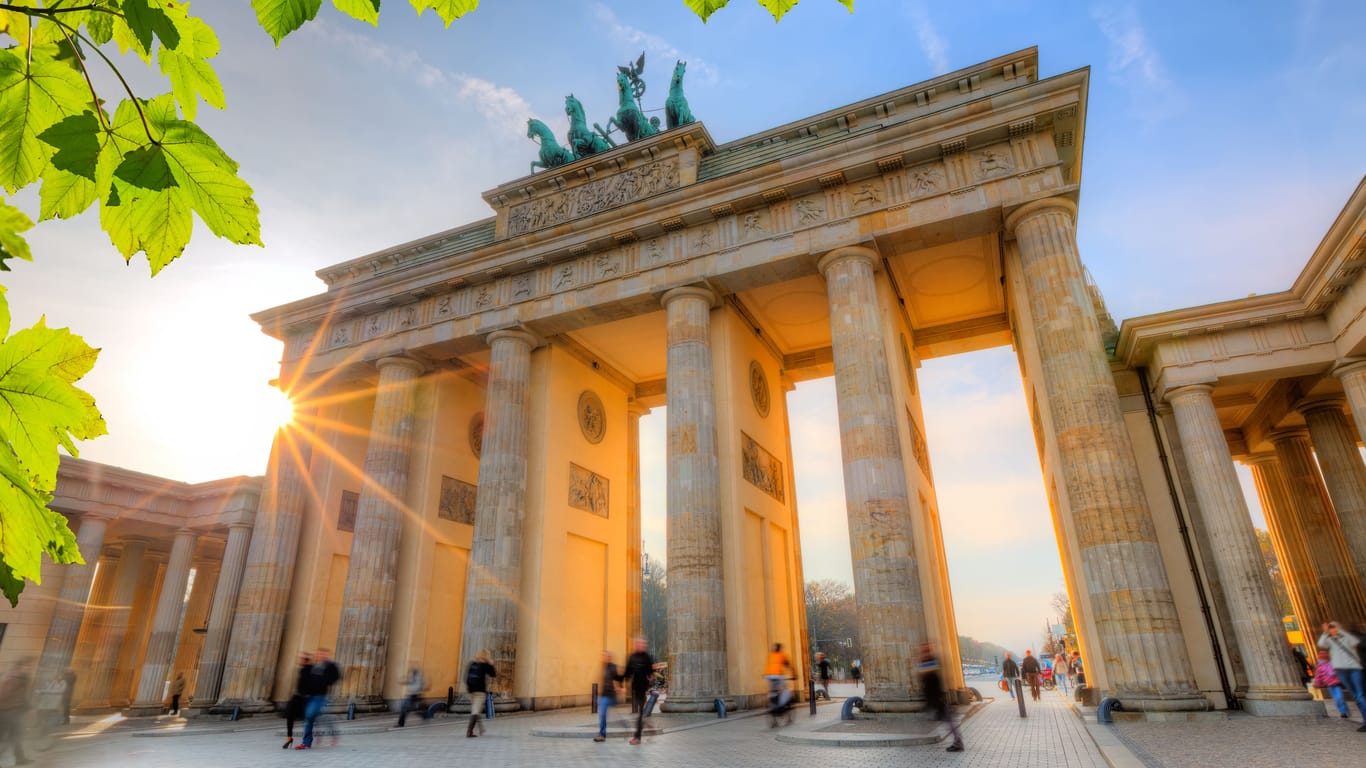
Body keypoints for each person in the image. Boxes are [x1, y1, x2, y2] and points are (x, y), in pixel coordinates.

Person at [1318, 621, 1366, 731]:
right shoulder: (1330, 641)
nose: (1333, 629)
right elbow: (1321, 644)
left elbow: (1355, 641)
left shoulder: (1347, 638)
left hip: (1354, 668)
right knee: (1356, 696)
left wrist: (1341, 632)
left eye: (1334, 627)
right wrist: (1325, 633)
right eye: (1331, 628)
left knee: (1360, 695)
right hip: (1341, 670)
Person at [918, 643, 964, 753]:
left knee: (948, 720)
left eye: (923, 648)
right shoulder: (930, 661)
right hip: (936, 697)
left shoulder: (929, 662)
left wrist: (933, 699)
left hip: (936, 697)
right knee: (948, 721)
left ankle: (958, 742)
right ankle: (957, 741)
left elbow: (930, 681)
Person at [296, 648, 342, 750]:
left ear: (327, 655)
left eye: (322, 654)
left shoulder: (331, 666)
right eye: (319, 654)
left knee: (310, 716)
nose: (320, 655)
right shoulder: (314, 666)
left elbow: (335, 677)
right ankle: (308, 742)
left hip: (320, 696)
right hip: (309, 696)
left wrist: (324, 681)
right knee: (314, 718)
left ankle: (308, 741)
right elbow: (304, 678)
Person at [0, 658, 34, 766]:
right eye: (28, 666)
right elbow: (3, 693)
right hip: (9, 711)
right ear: (20, 666)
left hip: (12, 710)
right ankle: (20, 759)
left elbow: (21, 696)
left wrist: (28, 706)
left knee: (14, 735)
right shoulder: (14, 677)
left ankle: (20, 758)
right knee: (14, 735)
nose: (30, 668)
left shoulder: (21, 678)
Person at [622, 637, 655, 746]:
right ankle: (649, 727)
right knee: (640, 713)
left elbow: (651, 672)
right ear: (635, 645)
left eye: (643, 644)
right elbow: (627, 673)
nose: (641, 646)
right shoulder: (631, 657)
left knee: (640, 713)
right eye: (639, 644)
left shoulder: (647, 657)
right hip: (635, 688)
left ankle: (637, 737)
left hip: (643, 689)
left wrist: (651, 679)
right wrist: (622, 685)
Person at [283, 652, 311, 749]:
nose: (300, 660)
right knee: (289, 716)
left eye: (302, 659)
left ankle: (306, 741)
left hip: (305, 699)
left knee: (309, 719)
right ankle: (289, 737)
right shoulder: (302, 670)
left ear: (306, 660)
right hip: (297, 697)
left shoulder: (310, 670)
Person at [465, 649, 496, 738]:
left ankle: (481, 728)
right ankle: (469, 732)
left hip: (471, 691)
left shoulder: (472, 663)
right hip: (479, 691)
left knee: (475, 709)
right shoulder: (485, 665)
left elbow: (465, 677)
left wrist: (469, 689)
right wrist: (491, 664)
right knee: (475, 711)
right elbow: (493, 674)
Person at [593, 650, 622, 743]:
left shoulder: (612, 667)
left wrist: (619, 688)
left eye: (606, 656)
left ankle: (602, 734)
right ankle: (602, 734)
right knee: (602, 715)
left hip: (610, 695)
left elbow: (617, 678)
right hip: (604, 695)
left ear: (609, 658)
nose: (604, 658)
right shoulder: (604, 667)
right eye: (603, 656)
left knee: (603, 714)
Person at [1313, 649, 1350, 718]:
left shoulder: (1333, 664)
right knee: (1336, 698)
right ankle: (1342, 711)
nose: (1324, 660)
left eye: (1325, 658)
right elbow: (1318, 676)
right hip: (1329, 685)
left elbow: (1339, 672)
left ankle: (1344, 710)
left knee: (1339, 697)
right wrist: (1317, 684)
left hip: (1336, 684)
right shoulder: (1320, 667)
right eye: (1322, 658)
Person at [764, 643, 794, 726]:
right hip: (778, 676)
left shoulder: (770, 655)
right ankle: (782, 706)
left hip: (769, 676)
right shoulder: (782, 655)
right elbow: (788, 665)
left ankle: (773, 717)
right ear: (780, 649)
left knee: (772, 692)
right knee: (786, 691)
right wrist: (795, 675)